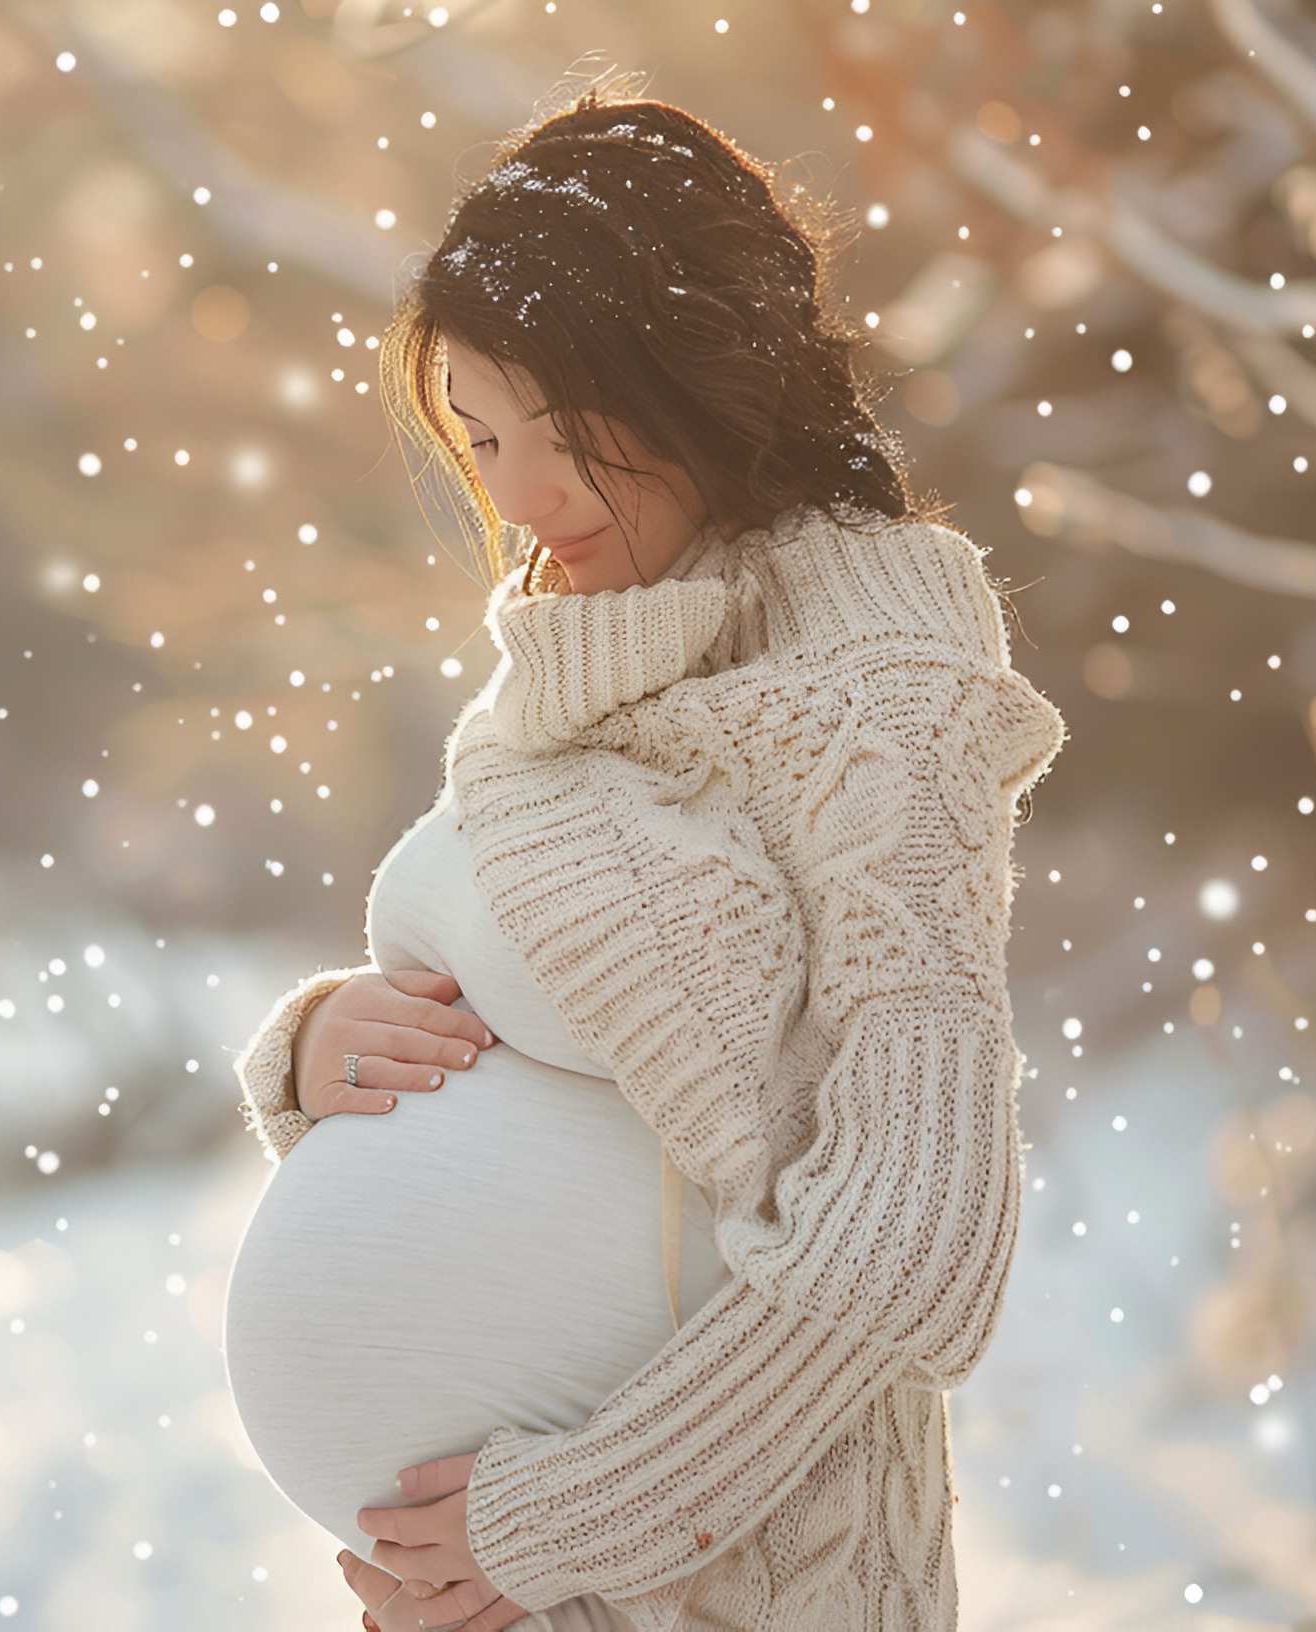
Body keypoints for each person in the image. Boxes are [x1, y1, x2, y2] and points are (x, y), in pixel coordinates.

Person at [221, 72, 1070, 1632]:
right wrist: (324, 1046)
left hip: (732, 1586)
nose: (523, 497)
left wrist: (567, 1524)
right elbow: (557, 1000)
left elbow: (919, 1220)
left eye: (569, 431)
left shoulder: (880, 664)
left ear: (699, 376)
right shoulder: (593, 641)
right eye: (480, 438)